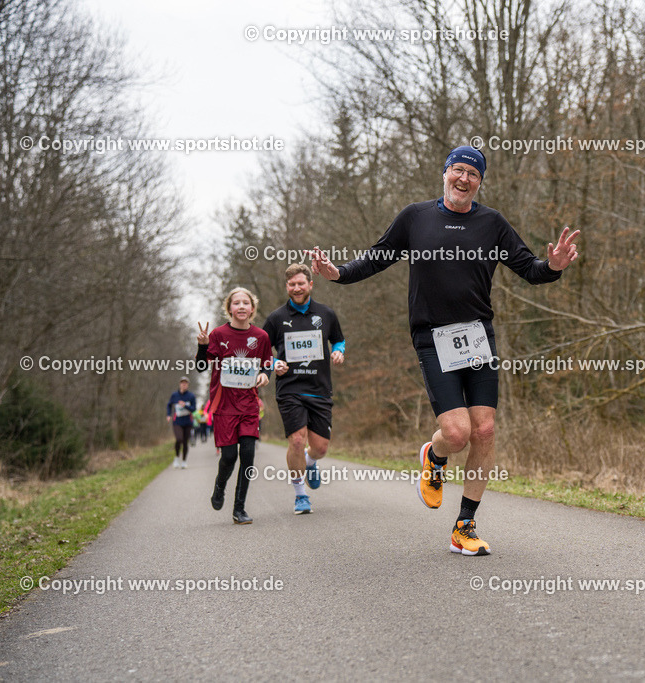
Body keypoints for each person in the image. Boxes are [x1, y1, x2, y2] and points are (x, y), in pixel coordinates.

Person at [311, 145, 579, 555]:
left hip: (477, 335)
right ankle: (435, 456)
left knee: (484, 430)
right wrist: (339, 273)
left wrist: (554, 267)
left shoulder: (492, 223)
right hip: (432, 337)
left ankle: (464, 526)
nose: (464, 179)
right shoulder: (415, 217)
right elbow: (377, 258)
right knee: (457, 434)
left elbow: (529, 268)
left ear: (480, 182)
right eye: (458, 170)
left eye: (473, 174)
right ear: (445, 173)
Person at [262, 263, 345, 515]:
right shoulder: (276, 318)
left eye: (300, 283)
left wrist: (339, 351)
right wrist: (273, 364)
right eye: (292, 284)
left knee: (320, 448)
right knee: (297, 440)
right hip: (290, 389)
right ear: (286, 286)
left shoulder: (326, 314)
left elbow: (338, 339)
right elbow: (262, 352)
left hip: (319, 388)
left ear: (310, 284)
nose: (296, 288)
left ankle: (310, 462)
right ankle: (300, 495)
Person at [195, 287, 272, 525]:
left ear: (252, 308)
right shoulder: (218, 334)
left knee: (248, 456)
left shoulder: (261, 336)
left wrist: (265, 374)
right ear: (229, 308)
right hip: (224, 405)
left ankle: (240, 509)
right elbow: (201, 367)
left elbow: (267, 363)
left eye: (245, 303)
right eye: (236, 303)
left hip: (249, 405)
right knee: (229, 457)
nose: (241, 306)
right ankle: (220, 486)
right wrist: (203, 346)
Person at [166, 377, 196, 469]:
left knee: (185, 442)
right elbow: (169, 405)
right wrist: (168, 414)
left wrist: (185, 405)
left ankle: (184, 461)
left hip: (188, 422)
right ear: (180, 384)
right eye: (182, 383)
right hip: (177, 421)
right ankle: (176, 458)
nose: (184, 384)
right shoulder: (174, 395)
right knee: (179, 439)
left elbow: (194, 409)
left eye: (185, 383)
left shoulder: (191, 396)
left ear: (188, 385)